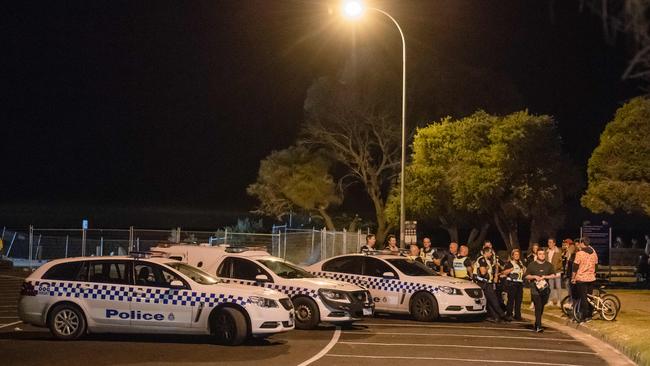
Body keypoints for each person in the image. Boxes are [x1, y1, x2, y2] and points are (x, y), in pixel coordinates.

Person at [524, 248, 556, 332]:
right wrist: (534, 277)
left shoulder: (549, 265)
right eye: (540, 254)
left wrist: (545, 277)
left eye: (543, 254)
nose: (542, 255)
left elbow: (553, 275)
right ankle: (539, 325)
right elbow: (526, 276)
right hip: (535, 290)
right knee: (538, 307)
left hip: (545, 289)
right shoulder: (532, 265)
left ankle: (537, 322)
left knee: (541, 307)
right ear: (537, 255)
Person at [473, 249, 507, 322]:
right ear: (486, 252)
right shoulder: (482, 260)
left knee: (489, 301)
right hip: (484, 283)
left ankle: (496, 317)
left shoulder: (486, 260)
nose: (491, 254)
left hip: (486, 282)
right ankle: (502, 315)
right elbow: (483, 272)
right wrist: (487, 269)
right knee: (493, 299)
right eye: (490, 253)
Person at [572, 238, 598, 323]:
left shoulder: (580, 253)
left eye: (580, 243)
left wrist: (573, 278)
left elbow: (575, 267)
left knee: (583, 298)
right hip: (591, 278)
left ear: (582, 243)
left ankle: (583, 316)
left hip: (581, 278)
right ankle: (590, 315)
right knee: (589, 297)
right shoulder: (594, 252)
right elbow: (596, 264)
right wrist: (594, 273)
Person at [501, 249, 525, 321]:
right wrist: (510, 270)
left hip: (519, 283)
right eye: (515, 254)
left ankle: (517, 315)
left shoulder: (520, 263)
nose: (517, 256)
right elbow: (504, 272)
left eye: (518, 254)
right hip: (512, 283)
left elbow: (522, 273)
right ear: (512, 256)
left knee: (519, 300)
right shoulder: (509, 263)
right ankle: (509, 314)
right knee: (511, 300)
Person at [545, 238, 563, 306]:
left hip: (557, 272)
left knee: (558, 287)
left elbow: (560, 262)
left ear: (554, 243)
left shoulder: (558, 251)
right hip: (549, 272)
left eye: (550, 242)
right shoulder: (546, 251)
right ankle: (550, 301)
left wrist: (556, 268)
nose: (549, 244)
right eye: (548, 242)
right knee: (550, 287)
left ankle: (559, 301)